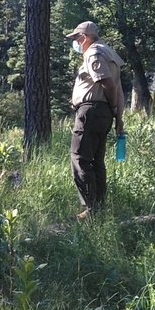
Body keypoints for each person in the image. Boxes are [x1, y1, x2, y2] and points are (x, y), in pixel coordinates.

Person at [66, 20, 126, 219]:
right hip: (104, 113)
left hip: (91, 111)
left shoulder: (94, 52)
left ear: (85, 37)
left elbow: (108, 84)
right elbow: (118, 89)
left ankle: (91, 209)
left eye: (76, 38)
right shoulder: (110, 54)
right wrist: (117, 115)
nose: (75, 42)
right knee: (96, 161)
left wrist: (112, 106)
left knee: (80, 158)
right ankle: (99, 208)